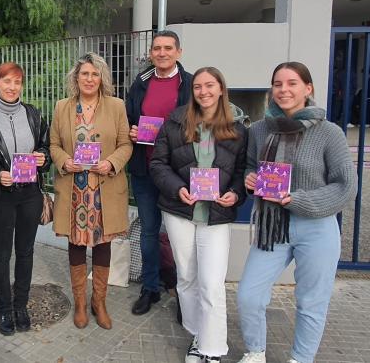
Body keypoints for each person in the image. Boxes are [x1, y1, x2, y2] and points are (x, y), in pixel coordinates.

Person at [236, 62, 357, 363]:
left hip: (316, 227)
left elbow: (345, 186)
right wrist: (249, 181)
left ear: (308, 88)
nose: (284, 90)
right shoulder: (260, 129)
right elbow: (251, 167)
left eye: (292, 83)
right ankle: (255, 352)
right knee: (249, 295)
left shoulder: (329, 133)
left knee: (311, 301)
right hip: (272, 227)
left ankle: (301, 359)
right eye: (278, 84)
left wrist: (297, 199)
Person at [149, 67, 247, 363]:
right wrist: (178, 188)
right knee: (187, 278)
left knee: (212, 283)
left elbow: (243, 172)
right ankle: (198, 335)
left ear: (221, 89)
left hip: (216, 215)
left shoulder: (238, 130)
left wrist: (236, 194)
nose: (204, 91)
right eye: (198, 87)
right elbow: (158, 165)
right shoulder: (175, 123)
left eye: (210, 86)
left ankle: (213, 349)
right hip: (180, 212)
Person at [49, 52, 132, 330]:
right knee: (75, 243)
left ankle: (100, 301)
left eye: (94, 74)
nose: (89, 78)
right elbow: (53, 145)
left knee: (102, 244)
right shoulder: (62, 107)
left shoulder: (116, 106)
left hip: (103, 189)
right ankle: (81, 303)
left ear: (101, 78)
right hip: (75, 190)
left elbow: (125, 144)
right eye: (84, 73)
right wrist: (64, 161)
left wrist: (111, 162)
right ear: (76, 77)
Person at [125, 30, 193, 315]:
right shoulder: (140, 83)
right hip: (145, 170)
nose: (162, 53)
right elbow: (128, 118)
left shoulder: (190, 84)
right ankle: (150, 288)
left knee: (183, 237)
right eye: (157, 48)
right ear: (151, 53)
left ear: (179, 52)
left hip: (178, 173)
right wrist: (130, 130)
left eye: (168, 48)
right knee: (149, 231)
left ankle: (184, 296)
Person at [0, 62, 51, 336]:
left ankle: (21, 304)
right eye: (7, 81)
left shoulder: (33, 114)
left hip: (29, 194)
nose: (12, 87)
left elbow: (45, 147)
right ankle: (4, 308)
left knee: (25, 252)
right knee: (1, 254)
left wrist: (43, 158)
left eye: (17, 82)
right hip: (2, 196)